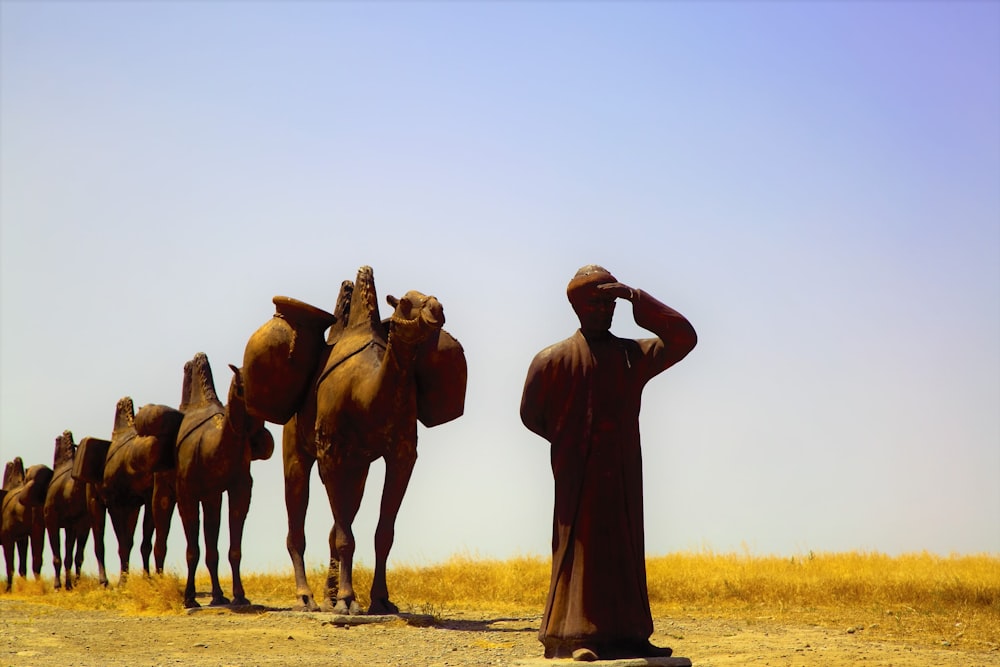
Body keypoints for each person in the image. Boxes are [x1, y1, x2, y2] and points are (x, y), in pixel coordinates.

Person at [520, 265, 697, 661]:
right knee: (580, 548)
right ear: (577, 306)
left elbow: (684, 337)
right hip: (577, 472)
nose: (605, 308)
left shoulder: (630, 355)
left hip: (621, 469)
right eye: (596, 301)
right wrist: (569, 441)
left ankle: (630, 635)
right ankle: (574, 634)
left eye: (609, 301)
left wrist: (637, 297)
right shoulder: (552, 359)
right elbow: (530, 414)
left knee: (624, 547)